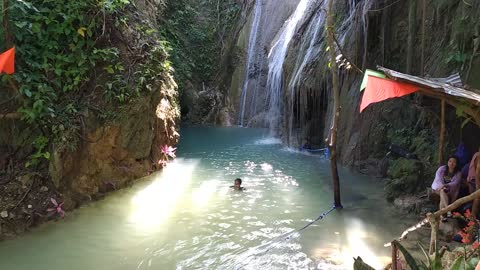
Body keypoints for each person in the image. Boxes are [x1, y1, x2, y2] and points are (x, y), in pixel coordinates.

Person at [431, 155, 462, 222]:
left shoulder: (458, 173)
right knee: (442, 191)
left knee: (443, 194)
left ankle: (442, 216)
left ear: (456, 164)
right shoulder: (442, 169)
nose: (451, 163)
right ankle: (448, 211)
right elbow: (438, 179)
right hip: (437, 188)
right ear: (447, 162)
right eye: (450, 161)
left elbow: (455, 183)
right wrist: (442, 186)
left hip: (450, 191)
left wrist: (445, 185)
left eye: (454, 162)